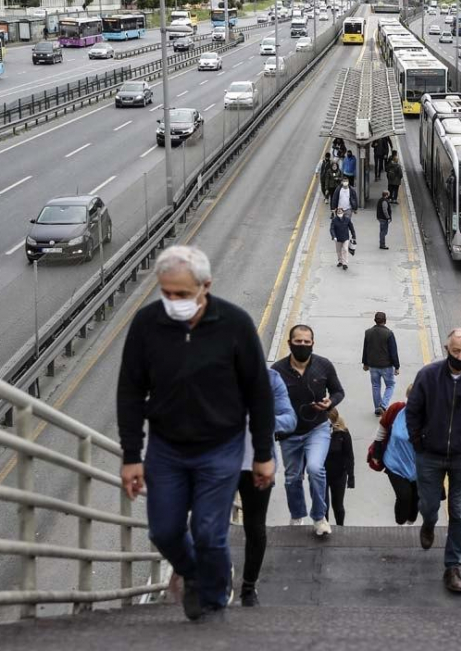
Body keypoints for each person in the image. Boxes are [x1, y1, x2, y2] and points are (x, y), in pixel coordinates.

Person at [117, 245, 275, 622]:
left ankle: (216, 598)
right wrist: (130, 455)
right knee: (165, 530)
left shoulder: (235, 325)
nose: (173, 302)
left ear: (206, 286)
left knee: (209, 533)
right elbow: (130, 390)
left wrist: (264, 453)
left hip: (220, 448)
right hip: (166, 449)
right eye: (166, 293)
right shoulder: (146, 325)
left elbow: (259, 392)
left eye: (182, 295)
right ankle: (192, 575)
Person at [406, 328, 461, 594]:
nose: (460, 356)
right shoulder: (427, 376)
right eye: (455, 350)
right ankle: (429, 522)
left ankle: (453, 566)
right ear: (447, 348)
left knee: (459, 512)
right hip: (429, 455)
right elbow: (413, 412)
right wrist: (419, 443)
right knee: (430, 503)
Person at [272, 325, 346, 537]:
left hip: (317, 428)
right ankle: (297, 515)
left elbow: (338, 391)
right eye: (298, 342)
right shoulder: (277, 370)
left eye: (306, 342)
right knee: (292, 477)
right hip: (290, 433)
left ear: (313, 343)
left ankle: (319, 517)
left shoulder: (323, 366)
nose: (302, 345)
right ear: (290, 343)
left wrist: (329, 402)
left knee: (315, 469)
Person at [238, 368, 297, 607]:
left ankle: (248, 588)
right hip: (219, 462)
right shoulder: (211, 371)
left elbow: (290, 418)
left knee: (254, 526)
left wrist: (264, 420)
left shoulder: (270, 378)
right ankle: (213, 580)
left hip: (258, 463)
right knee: (211, 523)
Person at [373, 386, 418, 525]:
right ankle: (400, 523)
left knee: (416, 497)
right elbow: (382, 429)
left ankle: (411, 522)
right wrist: (376, 452)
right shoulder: (396, 410)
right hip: (395, 463)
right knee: (404, 496)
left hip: (419, 466)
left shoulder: (431, 416)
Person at [362, 311, 399, 415]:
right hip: (386, 366)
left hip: (373, 365)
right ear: (385, 321)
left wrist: (365, 363)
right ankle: (383, 405)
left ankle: (377, 408)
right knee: (390, 385)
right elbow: (393, 351)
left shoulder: (368, 332)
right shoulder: (389, 334)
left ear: (375, 321)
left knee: (375, 386)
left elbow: (365, 349)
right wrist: (397, 366)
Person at [324, 408, 355, 526]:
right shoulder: (317, 435)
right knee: (323, 506)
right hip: (322, 474)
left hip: (339, 475)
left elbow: (349, 455)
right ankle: (324, 527)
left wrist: (351, 476)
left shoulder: (343, 434)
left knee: (337, 505)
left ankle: (340, 527)